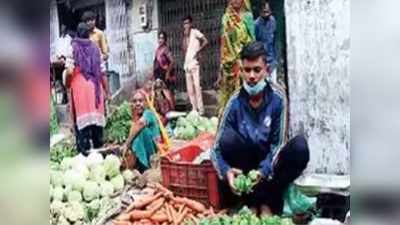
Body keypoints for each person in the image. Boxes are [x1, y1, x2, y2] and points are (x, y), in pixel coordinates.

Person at [211, 42, 309, 215]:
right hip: (245, 167)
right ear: (241, 71)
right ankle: (251, 202)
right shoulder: (234, 102)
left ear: (267, 70)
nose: (252, 76)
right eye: (247, 70)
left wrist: (263, 172)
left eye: (257, 70)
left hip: (269, 170)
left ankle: (266, 203)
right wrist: (226, 172)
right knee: (227, 139)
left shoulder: (278, 98)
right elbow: (216, 149)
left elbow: (278, 145)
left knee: (299, 147)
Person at [64, 23, 107, 155]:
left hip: (79, 88)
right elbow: (102, 72)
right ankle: (99, 152)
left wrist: (66, 83)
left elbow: (69, 71)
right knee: (96, 124)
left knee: (82, 124)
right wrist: (107, 91)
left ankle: (84, 154)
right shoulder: (95, 48)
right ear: (88, 34)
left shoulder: (73, 47)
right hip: (95, 87)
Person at [218, 0, 255, 114]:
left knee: (245, 96)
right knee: (229, 98)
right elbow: (223, 42)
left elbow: (252, 39)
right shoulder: (225, 18)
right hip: (228, 65)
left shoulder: (248, 17)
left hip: (244, 63)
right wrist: (221, 64)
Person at [122, 90, 165, 172]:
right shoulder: (136, 118)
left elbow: (140, 124)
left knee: (141, 131)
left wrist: (126, 144)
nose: (138, 104)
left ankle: (145, 167)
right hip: (150, 151)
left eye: (140, 101)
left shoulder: (148, 113)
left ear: (145, 102)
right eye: (134, 101)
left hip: (155, 153)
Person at [81, 10, 111, 101]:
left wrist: (98, 59)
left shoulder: (100, 34)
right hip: (86, 65)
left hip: (98, 62)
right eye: (87, 21)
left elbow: (105, 53)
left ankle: (108, 92)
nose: (89, 22)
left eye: (91, 20)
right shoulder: (82, 34)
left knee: (103, 73)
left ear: (95, 20)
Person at [182, 15, 208, 115]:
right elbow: (185, 50)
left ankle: (201, 110)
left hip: (194, 64)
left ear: (191, 24)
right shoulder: (185, 36)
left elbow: (205, 41)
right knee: (190, 89)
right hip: (187, 65)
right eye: (184, 23)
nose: (186, 25)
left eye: (187, 23)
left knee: (197, 87)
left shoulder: (195, 32)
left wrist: (198, 51)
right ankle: (194, 109)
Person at [255, 1, 278, 84]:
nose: (266, 14)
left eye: (268, 12)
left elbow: (274, 41)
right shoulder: (256, 25)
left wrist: (275, 60)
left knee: (273, 86)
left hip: (272, 61)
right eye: (264, 12)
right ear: (260, 12)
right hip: (261, 61)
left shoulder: (273, 21)